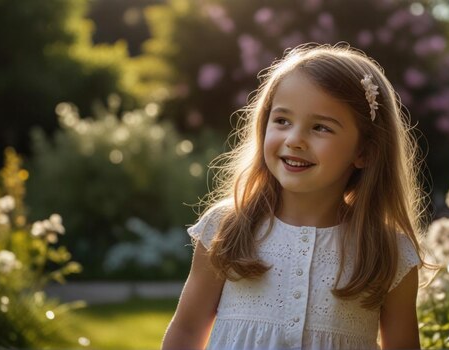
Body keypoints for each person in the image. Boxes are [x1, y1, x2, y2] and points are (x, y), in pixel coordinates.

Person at [162, 43, 427, 350]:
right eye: (282, 121)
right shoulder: (227, 226)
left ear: (364, 151)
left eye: (320, 127)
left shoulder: (390, 251)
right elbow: (186, 330)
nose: (295, 140)